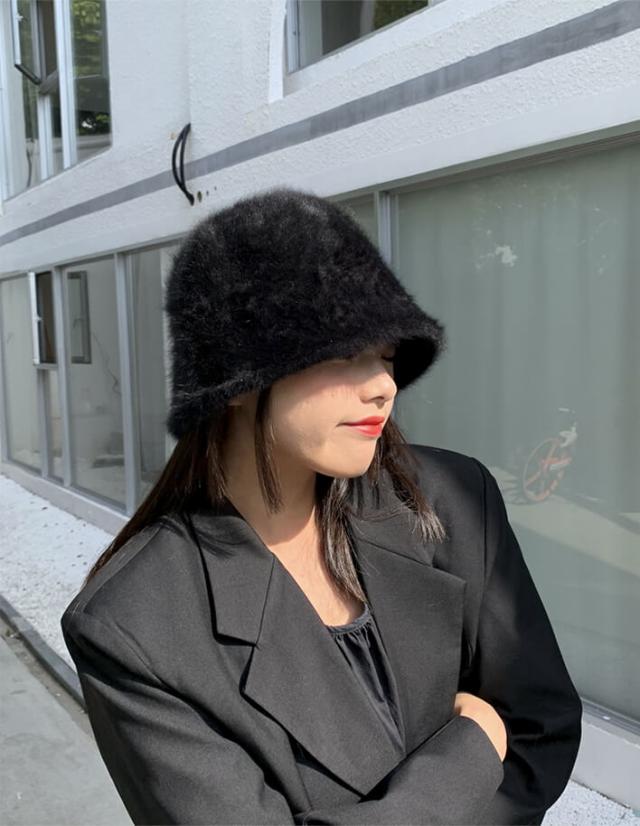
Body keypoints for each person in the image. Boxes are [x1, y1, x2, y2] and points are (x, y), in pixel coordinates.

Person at [60, 185, 582, 826]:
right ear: (234, 381)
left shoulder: (449, 501)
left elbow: (541, 726)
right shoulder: (136, 626)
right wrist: (471, 749)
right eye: (346, 354)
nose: (384, 385)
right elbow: (496, 743)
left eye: (386, 357)